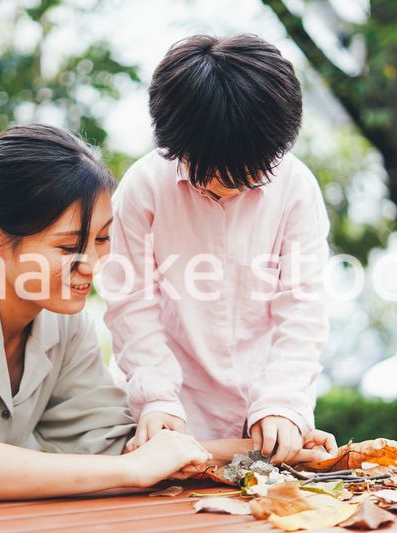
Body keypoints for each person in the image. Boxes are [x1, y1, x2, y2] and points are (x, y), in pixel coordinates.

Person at [0, 124, 333, 501]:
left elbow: (120, 445)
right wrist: (130, 471)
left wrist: (262, 452)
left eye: (103, 240)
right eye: (68, 247)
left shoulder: (62, 322)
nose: (95, 265)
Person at [102, 34, 331, 465]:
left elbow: (302, 308)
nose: (227, 183)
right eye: (210, 168)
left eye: (248, 171)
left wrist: (282, 401)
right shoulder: (143, 188)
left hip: (270, 421)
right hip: (169, 419)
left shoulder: (296, 188)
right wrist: (156, 399)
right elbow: (130, 305)